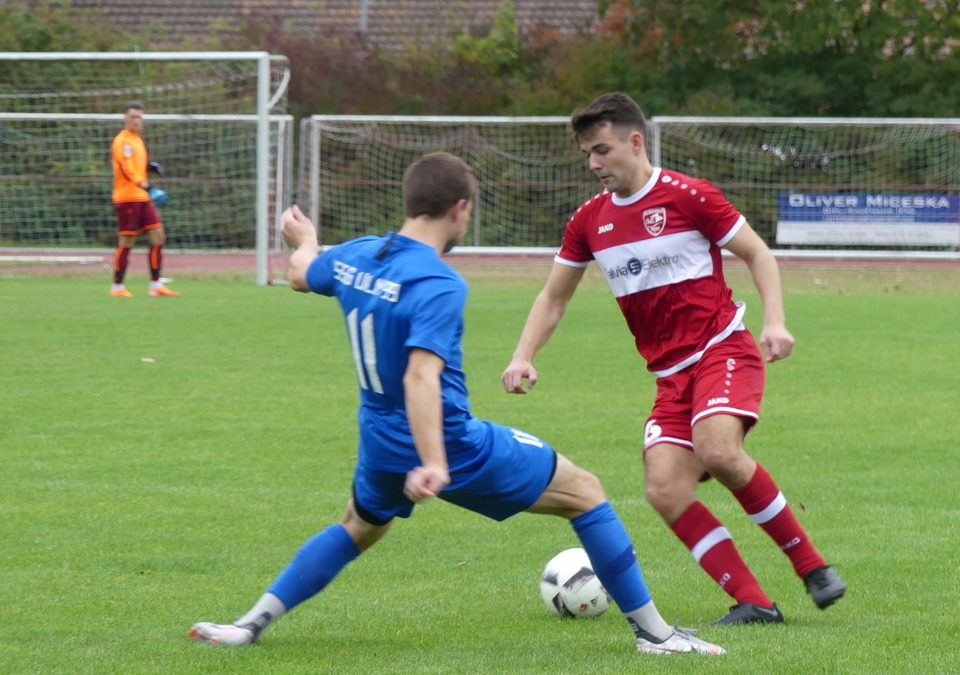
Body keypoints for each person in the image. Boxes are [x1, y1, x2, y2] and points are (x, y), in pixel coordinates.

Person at [187, 152, 724, 656]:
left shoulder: (357, 256)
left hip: (378, 441)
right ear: (459, 209)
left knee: (360, 526)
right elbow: (422, 375)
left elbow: (300, 274)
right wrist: (435, 461)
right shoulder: (437, 281)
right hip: (447, 442)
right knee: (585, 492)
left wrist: (305, 239)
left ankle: (249, 624)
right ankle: (655, 635)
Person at [500, 93, 846, 625]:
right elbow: (554, 297)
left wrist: (774, 321)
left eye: (602, 150)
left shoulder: (690, 196)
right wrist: (523, 355)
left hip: (722, 348)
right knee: (664, 489)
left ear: (635, 142)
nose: (593, 163)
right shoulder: (588, 221)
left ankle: (811, 565)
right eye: (587, 154)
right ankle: (754, 602)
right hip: (669, 378)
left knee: (719, 451)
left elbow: (757, 253)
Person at [109, 101, 180, 297]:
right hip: (128, 198)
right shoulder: (122, 140)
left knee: (158, 237)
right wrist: (147, 187)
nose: (136, 121)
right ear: (125, 118)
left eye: (139, 117)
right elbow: (126, 169)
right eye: (132, 116)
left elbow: (137, 165)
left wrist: (150, 167)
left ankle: (155, 286)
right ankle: (117, 287)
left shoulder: (137, 140)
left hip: (142, 197)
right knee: (127, 241)